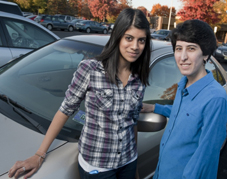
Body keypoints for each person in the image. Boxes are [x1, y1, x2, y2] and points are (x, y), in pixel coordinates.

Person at [8, 8, 151, 179]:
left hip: (128, 160)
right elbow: (65, 110)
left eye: (141, 40)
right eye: (129, 38)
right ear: (118, 36)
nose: (135, 46)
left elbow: (132, 123)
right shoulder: (91, 69)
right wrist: (39, 154)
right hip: (98, 167)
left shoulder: (139, 78)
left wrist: (134, 169)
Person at [141, 19, 227, 179]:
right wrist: (154, 108)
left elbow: (205, 158)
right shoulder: (183, 84)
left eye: (191, 49)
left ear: (206, 54)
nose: (182, 57)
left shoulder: (215, 99)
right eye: (178, 48)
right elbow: (184, 114)